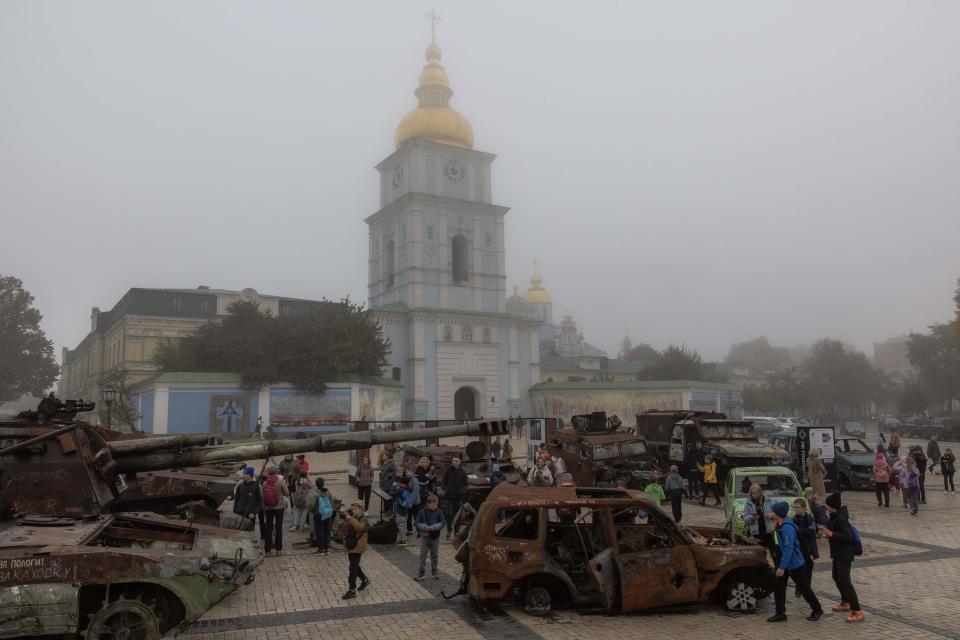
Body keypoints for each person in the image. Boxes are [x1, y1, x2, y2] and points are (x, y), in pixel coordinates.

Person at [766, 501, 823, 622]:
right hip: (784, 563)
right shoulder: (778, 524)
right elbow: (777, 543)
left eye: (772, 511)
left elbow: (788, 549)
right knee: (779, 586)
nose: (770, 513)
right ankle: (780, 612)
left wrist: (782, 567)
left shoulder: (787, 528)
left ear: (778, 513)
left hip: (794, 564)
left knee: (804, 588)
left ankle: (817, 609)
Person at [818, 492, 863, 622]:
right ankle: (846, 602)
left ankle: (857, 610)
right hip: (837, 553)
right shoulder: (834, 516)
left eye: (827, 505)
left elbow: (847, 536)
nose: (826, 507)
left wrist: (830, 533)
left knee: (845, 581)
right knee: (836, 577)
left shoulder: (841, 518)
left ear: (832, 506)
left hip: (844, 553)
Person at [339, 500, 370, 600]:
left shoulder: (363, 519)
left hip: (358, 547)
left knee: (352, 568)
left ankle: (352, 590)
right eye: (352, 509)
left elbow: (359, 527)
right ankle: (365, 580)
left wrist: (351, 519)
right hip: (351, 546)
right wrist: (342, 522)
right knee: (355, 566)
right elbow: (343, 530)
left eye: (355, 509)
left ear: (361, 509)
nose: (353, 511)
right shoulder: (353, 518)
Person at [414, 494, 446, 581]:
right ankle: (421, 573)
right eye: (433, 505)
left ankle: (435, 572)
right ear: (428, 503)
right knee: (422, 555)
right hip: (425, 537)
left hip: (435, 537)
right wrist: (425, 527)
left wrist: (434, 527)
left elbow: (443, 522)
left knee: (434, 555)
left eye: (436, 505)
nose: (435, 507)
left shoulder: (439, 512)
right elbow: (417, 523)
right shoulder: (422, 512)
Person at [791, 498, 818, 598]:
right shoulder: (794, 519)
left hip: (808, 548)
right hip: (799, 548)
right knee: (799, 570)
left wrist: (800, 530)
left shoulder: (809, 517)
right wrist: (803, 531)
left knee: (808, 569)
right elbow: (794, 531)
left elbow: (812, 531)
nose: (795, 509)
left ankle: (807, 588)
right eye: (794, 507)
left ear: (804, 508)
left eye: (797, 507)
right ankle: (799, 588)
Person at [261, 465, 290, 555]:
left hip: (269, 508)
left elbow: (263, 496)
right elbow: (287, 493)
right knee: (278, 528)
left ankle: (267, 550)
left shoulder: (265, 483)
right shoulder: (280, 482)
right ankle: (278, 549)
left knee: (268, 528)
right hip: (279, 508)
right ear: (276, 473)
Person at [440, 456, 468, 539]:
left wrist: (463, 490)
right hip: (449, 497)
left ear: (459, 462)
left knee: (458, 515)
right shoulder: (448, 471)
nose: (454, 462)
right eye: (453, 460)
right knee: (450, 514)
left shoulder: (462, 472)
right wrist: (446, 490)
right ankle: (449, 530)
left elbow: (466, 483)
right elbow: (443, 482)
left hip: (459, 497)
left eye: (456, 461)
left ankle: (456, 531)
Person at [390, 467, 419, 546]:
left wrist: (394, 486)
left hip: (400, 509)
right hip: (406, 509)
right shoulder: (408, 489)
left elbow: (392, 493)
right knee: (404, 524)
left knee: (400, 524)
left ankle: (403, 541)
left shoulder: (400, 490)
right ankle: (404, 539)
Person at [742, 483, 774, 549]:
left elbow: (776, 514)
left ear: (760, 492)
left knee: (770, 550)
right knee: (757, 551)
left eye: (755, 493)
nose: (754, 495)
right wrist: (752, 517)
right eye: (752, 493)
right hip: (755, 532)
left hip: (767, 531)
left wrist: (770, 515)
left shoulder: (768, 501)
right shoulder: (749, 503)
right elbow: (745, 518)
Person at [232, 466, 262, 536]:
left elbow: (259, 502)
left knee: (249, 534)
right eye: (243, 473)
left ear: (250, 475)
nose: (244, 475)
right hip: (239, 513)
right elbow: (236, 500)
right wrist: (234, 512)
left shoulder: (256, 486)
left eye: (246, 474)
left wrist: (254, 513)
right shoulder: (240, 486)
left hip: (250, 515)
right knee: (239, 534)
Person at [309, 477, 335, 555]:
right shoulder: (328, 492)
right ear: (323, 484)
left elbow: (312, 504)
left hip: (318, 514)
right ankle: (326, 548)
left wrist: (311, 510)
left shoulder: (314, 493)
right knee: (327, 530)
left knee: (319, 531)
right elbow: (331, 502)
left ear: (316, 484)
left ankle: (321, 549)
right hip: (327, 513)